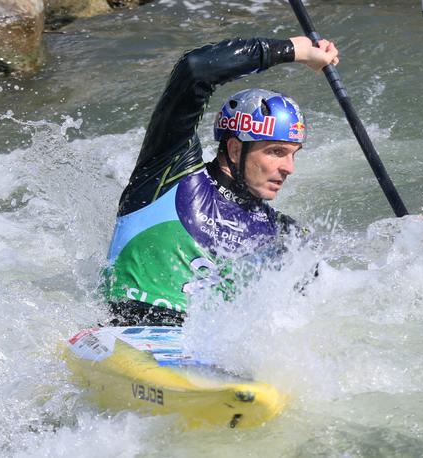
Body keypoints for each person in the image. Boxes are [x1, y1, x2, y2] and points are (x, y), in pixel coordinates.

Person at [101, 36, 339, 326]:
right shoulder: (168, 173)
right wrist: (293, 50)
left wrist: (406, 243)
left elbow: (337, 293)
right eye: (276, 152)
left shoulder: (280, 234)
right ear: (236, 149)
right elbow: (195, 70)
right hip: (127, 333)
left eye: (293, 154)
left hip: (207, 355)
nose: (289, 167)